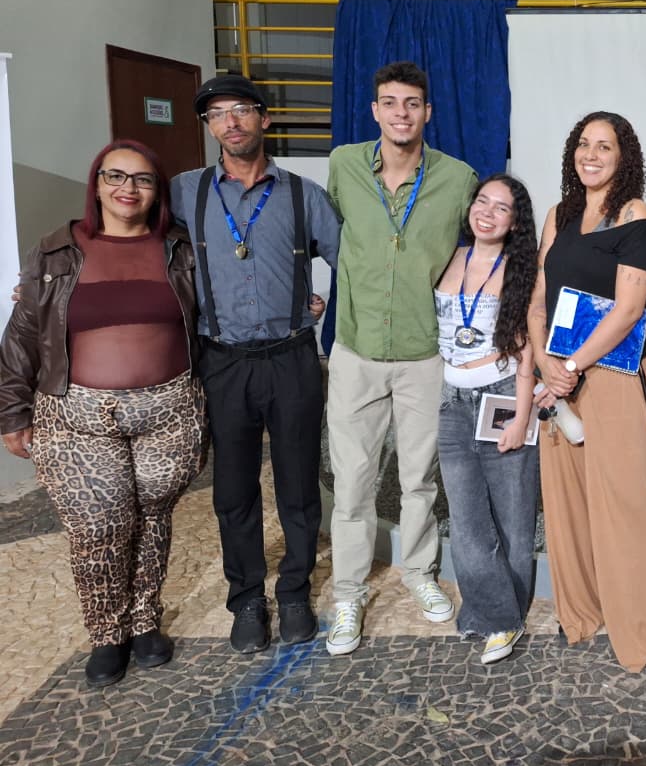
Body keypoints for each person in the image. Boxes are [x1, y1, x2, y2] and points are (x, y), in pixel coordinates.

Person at [0, 140, 205, 686]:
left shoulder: (180, 249)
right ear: (96, 184)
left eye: (142, 179)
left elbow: (216, 310)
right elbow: (23, 334)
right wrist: (12, 412)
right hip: (76, 416)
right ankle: (106, 632)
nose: (127, 188)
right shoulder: (57, 251)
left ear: (157, 192)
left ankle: (144, 622)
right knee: (98, 526)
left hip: (169, 412)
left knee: (153, 519)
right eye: (115, 176)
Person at [529, 111, 646, 693]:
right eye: (584, 144)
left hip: (613, 373)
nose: (592, 154)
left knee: (632, 503)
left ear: (624, 156)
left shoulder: (635, 215)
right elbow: (538, 298)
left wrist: (572, 367)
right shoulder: (558, 215)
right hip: (559, 376)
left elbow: (630, 308)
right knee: (570, 498)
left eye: (605, 146)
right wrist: (546, 362)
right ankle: (586, 608)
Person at [173, 73, 340, 654]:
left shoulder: (302, 194)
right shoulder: (185, 192)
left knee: (298, 484)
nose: (231, 122)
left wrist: (320, 305)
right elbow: (131, 240)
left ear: (264, 119)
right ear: (209, 127)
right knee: (234, 489)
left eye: (241, 110)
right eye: (217, 114)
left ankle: (294, 590)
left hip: (291, 357)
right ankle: (246, 598)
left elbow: (353, 264)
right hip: (222, 361)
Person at [324, 60, 476, 656]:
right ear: (375, 110)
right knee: (353, 482)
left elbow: (480, 250)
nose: (401, 113)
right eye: (390, 102)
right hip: (356, 349)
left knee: (419, 478)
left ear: (427, 112)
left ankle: (418, 572)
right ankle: (348, 593)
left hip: (424, 354)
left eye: (412, 103)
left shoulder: (457, 178)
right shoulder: (343, 165)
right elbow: (325, 234)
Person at [434, 174, 539, 665]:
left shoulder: (523, 269)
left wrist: (522, 413)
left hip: (502, 395)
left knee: (513, 516)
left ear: (515, 222)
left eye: (501, 208)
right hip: (452, 401)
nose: (488, 213)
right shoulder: (449, 257)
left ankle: (504, 617)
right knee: (466, 518)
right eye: (482, 202)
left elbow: (528, 349)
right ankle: (494, 613)